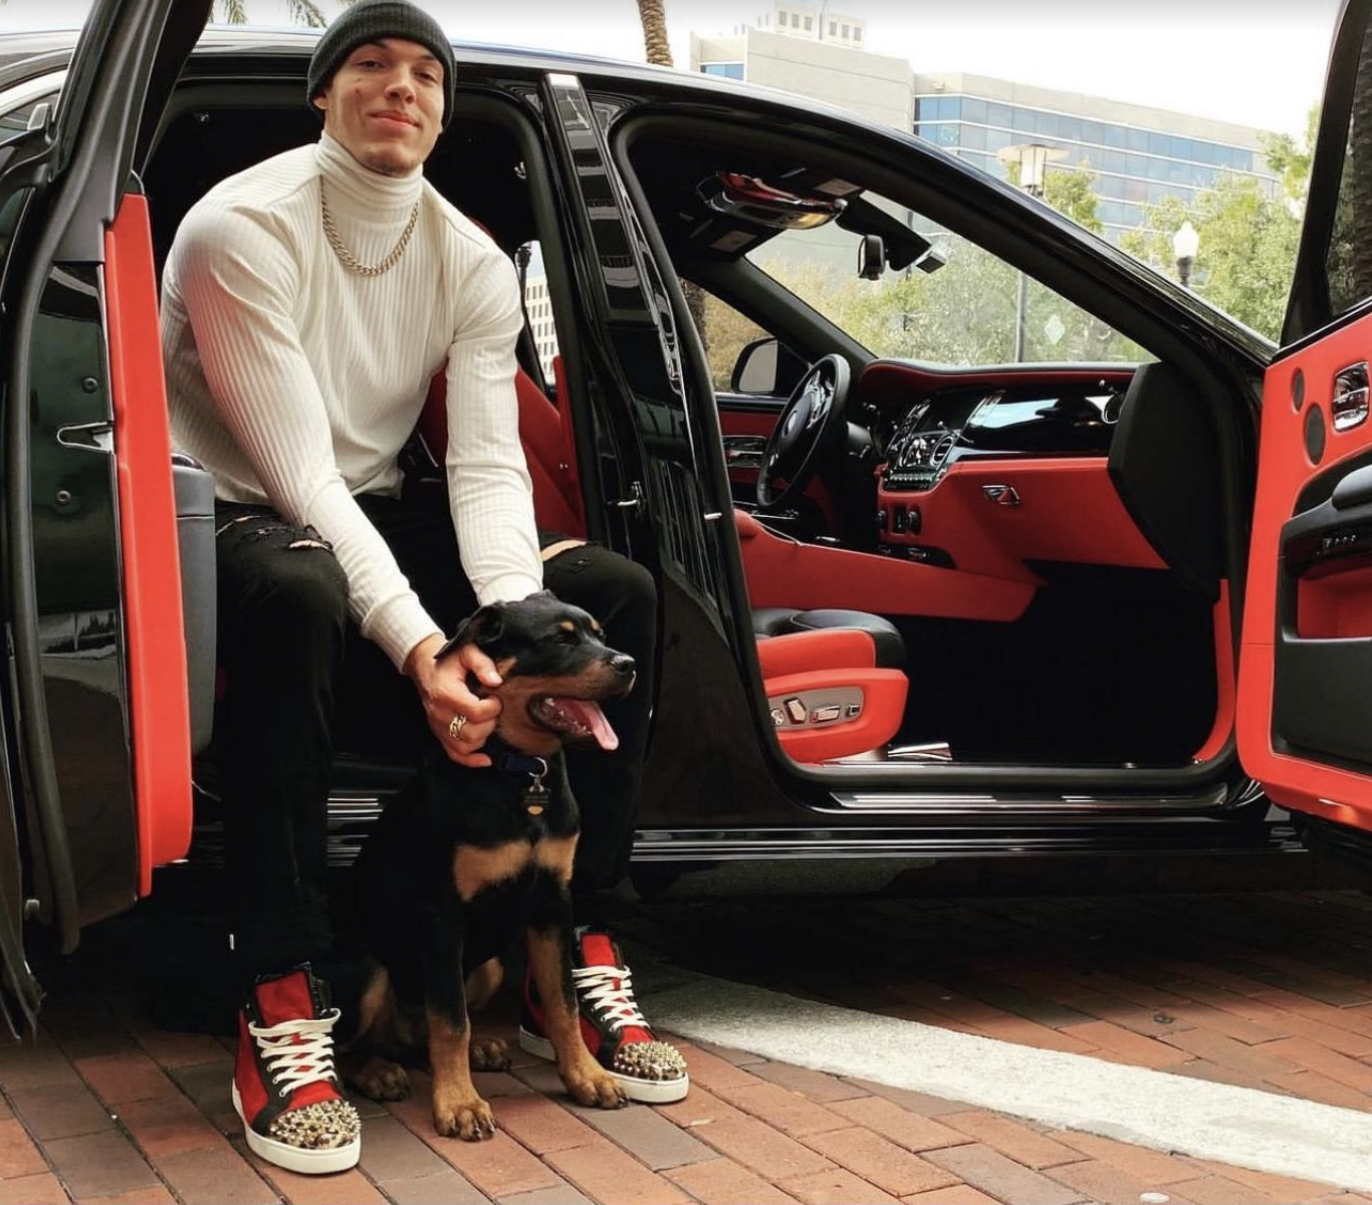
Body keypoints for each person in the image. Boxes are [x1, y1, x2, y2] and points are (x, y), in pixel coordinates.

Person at [160, 0, 686, 1174]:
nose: (402, 87)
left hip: (373, 504)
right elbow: (300, 474)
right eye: (370, 65)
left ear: (444, 107)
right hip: (237, 508)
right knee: (300, 598)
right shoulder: (238, 227)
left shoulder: (469, 258)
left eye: (425, 74)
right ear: (323, 94)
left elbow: (490, 464)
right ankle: (283, 994)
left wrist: (505, 632)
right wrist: (421, 650)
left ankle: (586, 938)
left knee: (617, 591)